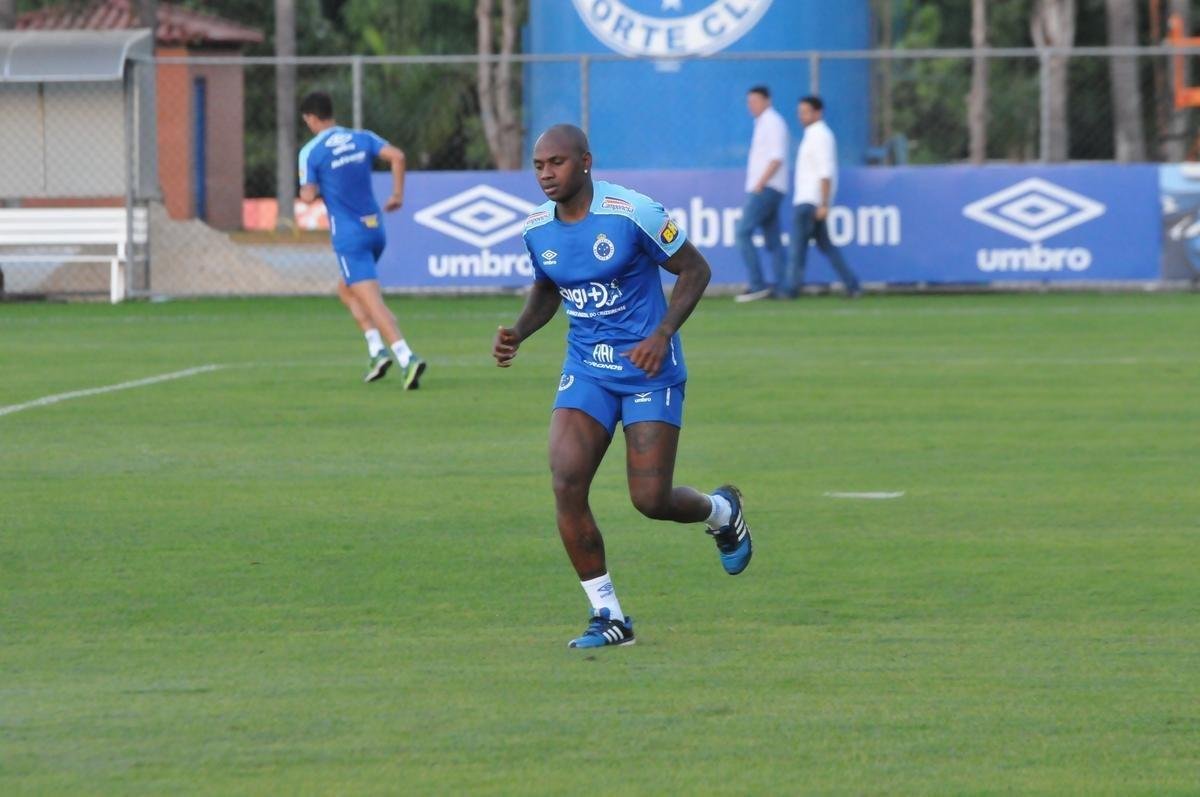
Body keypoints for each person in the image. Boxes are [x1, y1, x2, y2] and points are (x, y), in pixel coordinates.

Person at [492, 124, 753, 650]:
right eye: (539, 165)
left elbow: (695, 271)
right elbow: (549, 288)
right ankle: (608, 616)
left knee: (650, 500)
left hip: (647, 371)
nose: (546, 173)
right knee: (566, 481)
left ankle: (722, 512)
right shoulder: (536, 228)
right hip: (587, 370)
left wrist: (662, 333)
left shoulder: (633, 213)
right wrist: (519, 331)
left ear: (586, 162)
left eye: (557, 163)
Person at [298, 91, 427, 388]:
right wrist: (397, 195)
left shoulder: (311, 151)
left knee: (372, 301)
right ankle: (376, 350)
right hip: (375, 229)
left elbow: (306, 196)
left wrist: (317, 187)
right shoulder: (361, 137)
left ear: (310, 118)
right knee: (346, 290)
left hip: (348, 236)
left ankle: (406, 357)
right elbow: (398, 157)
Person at [786, 95, 861, 299]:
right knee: (826, 246)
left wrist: (824, 203)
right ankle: (852, 284)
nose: (801, 116)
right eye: (800, 112)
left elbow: (825, 172)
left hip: (810, 200)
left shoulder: (820, 136)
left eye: (806, 111)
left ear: (818, 112)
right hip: (810, 199)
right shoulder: (812, 135)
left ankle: (790, 289)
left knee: (797, 248)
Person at [734, 85, 790, 303]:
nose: (751, 106)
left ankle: (757, 284)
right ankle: (783, 287)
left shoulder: (772, 122)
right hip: (770, 186)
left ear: (767, 100)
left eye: (755, 101)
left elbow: (776, 157)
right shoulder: (763, 123)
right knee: (773, 239)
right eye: (749, 102)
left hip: (766, 187)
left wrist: (760, 183)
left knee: (742, 232)